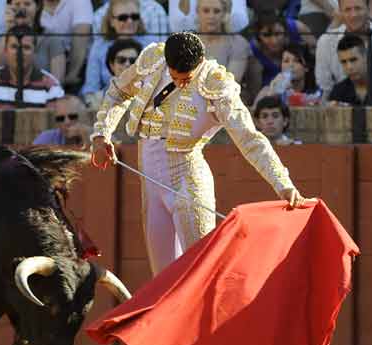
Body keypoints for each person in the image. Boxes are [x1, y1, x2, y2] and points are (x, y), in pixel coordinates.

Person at [91, 31, 308, 274]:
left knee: (200, 272)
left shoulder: (217, 85)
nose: (181, 82)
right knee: (162, 277)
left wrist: (282, 183)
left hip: (188, 181)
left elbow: (249, 138)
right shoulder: (154, 59)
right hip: (150, 182)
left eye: (187, 78)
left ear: (201, 61)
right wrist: (102, 134)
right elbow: (118, 91)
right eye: (175, 76)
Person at [316, 0, 372, 99]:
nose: (353, 15)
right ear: (340, 12)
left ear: (368, 10)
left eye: (358, 8)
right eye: (347, 10)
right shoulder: (325, 42)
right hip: (337, 106)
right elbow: (324, 88)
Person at [0, 24, 64, 109]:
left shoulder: (51, 86)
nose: (19, 53)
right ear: (5, 51)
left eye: (26, 47)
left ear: (35, 53)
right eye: (14, 47)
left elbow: (56, 124)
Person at [80, 0, 155, 100]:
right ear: (111, 21)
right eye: (122, 18)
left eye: (134, 17)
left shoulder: (151, 45)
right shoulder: (99, 47)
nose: (130, 21)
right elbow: (91, 88)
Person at [253, 42, 321, 108]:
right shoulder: (268, 90)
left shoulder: (317, 92)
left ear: (306, 67)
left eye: (296, 61)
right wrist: (271, 94)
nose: (290, 65)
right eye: (286, 61)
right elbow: (254, 114)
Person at [84, 37, 142, 109]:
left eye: (133, 61)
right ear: (112, 65)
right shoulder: (97, 100)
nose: (127, 64)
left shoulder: (149, 94)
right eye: (121, 60)